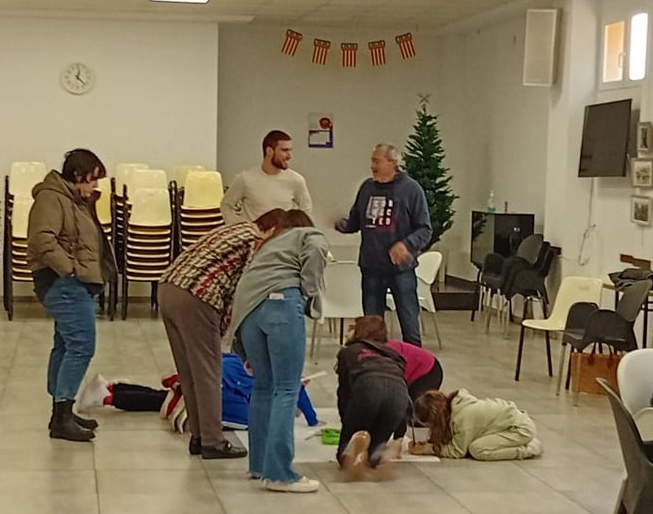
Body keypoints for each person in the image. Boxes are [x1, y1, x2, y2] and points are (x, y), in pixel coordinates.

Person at [158, 210, 281, 461]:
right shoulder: (253, 240)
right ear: (271, 229)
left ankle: (199, 435)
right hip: (197, 296)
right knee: (208, 371)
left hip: (168, 288)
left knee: (189, 370)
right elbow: (243, 292)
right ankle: (213, 441)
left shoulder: (233, 230)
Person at [231, 210, 329, 492]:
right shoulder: (308, 235)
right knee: (287, 389)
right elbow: (318, 249)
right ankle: (281, 474)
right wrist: (310, 293)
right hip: (282, 304)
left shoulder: (268, 246)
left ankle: (260, 465)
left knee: (263, 387)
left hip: (248, 312)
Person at [27, 148, 107, 443]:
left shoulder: (74, 200)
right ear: (77, 176)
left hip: (74, 282)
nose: (95, 187)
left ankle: (61, 411)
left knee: (64, 345)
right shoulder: (51, 198)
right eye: (92, 180)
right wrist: (70, 270)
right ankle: (62, 416)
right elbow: (42, 240)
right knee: (81, 346)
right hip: (63, 283)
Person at [333, 143, 432, 347]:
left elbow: (425, 229)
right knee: (370, 329)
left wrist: (406, 245)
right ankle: (373, 366)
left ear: (393, 163)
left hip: (401, 271)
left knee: (409, 325)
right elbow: (355, 222)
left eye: (376, 161)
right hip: (371, 269)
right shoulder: (367, 188)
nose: (372, 166)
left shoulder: (411, 190)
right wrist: (341, 225)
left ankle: (412, 369)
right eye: (372, 161)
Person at [335, 317, 415, 479]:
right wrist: (399, 435)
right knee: (375, 449)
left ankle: (352, 448)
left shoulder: (349, 351)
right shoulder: (394, 355)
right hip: (399, 396)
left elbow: (344, 392)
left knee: (344, 451)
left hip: (367, 388)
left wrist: (348, 422)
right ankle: (377, 454)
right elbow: (405, 394)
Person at [410, 389, 542, 461]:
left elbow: (458, 451)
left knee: (477, 450)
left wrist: (428, 450)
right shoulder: (454, 406)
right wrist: (428, 443)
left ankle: (528, 449)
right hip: (514, 422)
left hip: (519, 429)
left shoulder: (462, 419)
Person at [222, 129, 313, 224]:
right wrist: (241, 226)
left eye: (290, 150)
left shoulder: (296, 180)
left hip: (283, 237)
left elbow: (306, 210)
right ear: (269, 151)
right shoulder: (245, 179)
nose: (289, 156)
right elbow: (226, 205)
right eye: (284, 150)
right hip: (254, 237)